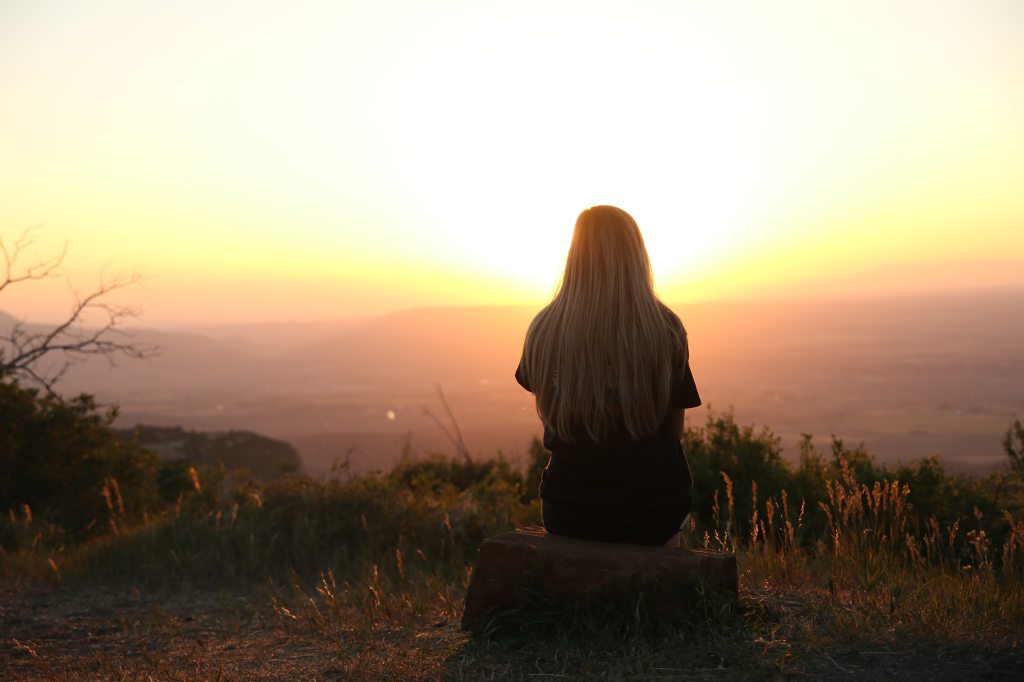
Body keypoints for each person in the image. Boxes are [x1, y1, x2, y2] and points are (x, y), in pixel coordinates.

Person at [515, 205, 701, 548]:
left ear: (574, 256)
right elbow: (674, 434)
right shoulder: (666, 330)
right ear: (636, 257)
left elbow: (551, 415)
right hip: (652, 514)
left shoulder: (543, 330)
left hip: (569, 512)